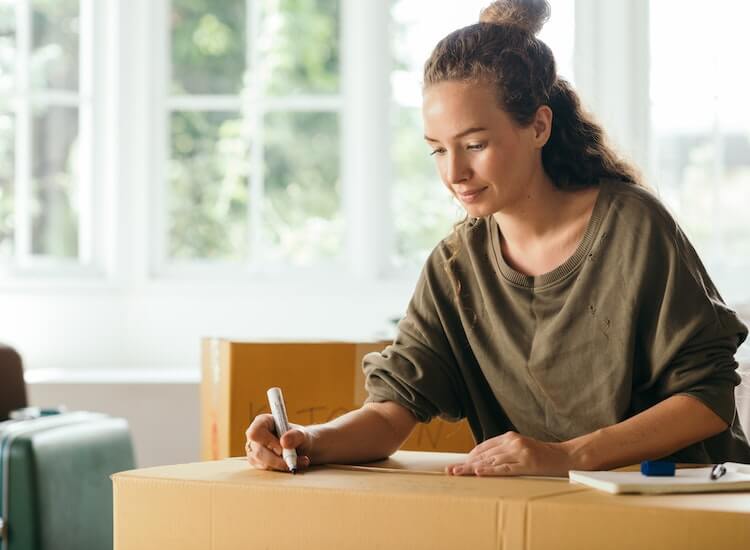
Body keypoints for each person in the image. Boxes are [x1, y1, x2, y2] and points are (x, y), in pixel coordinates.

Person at [245, 0, 750, 477]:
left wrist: (566, 455)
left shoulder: (635, 228)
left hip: (681, 507)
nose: (455, 173)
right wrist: (308, 439)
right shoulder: (455, 265)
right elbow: (391, 413)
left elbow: (707, 399)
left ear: (539, 127)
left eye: (475, 144)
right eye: (437, 151)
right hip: (550, 513)